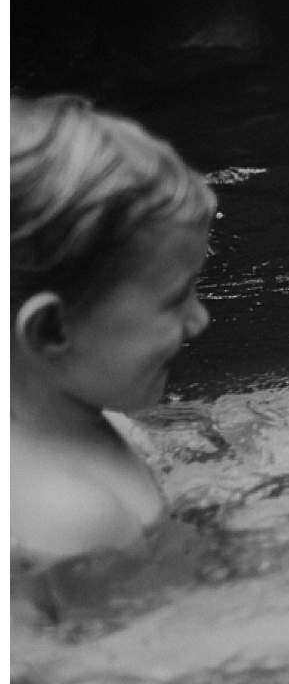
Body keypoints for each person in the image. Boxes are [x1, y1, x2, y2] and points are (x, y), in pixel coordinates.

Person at [11, 95, 214, 560]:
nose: (200, 319)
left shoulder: (107, 425)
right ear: (50, 331)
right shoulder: (73, 520)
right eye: (176, 299)